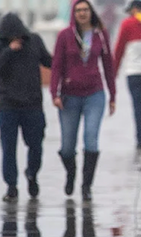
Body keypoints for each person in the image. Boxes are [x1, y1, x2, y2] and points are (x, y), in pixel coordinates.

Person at [51, 0, 116, 201]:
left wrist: (113, 95)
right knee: (67, 146)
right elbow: (56, 66)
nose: (82, 13)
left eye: (85, 10)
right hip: (69, 96)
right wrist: (55, 93)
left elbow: (108, 65)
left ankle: (87, 186)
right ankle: (71, 173)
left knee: (91, 139)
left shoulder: (100, 34)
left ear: (91, 12)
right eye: (78, 10)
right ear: (74, 13)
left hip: (94, 94)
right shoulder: (65, 36)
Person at [0, 13, 52, 202]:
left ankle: (32, 174)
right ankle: (11, 186)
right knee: (9, 148)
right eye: (10, 36)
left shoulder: (35, 41)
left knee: (36, 145)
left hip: (32, 104)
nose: (15, 39)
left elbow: (49, 61)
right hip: (8, 106)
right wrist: (8, 51)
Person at [114, 0, 141, 149]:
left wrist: (113, 71)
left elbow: (119, 48)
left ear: (134, 9)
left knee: (139, 107)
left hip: (133, 72)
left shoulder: (127, 24)